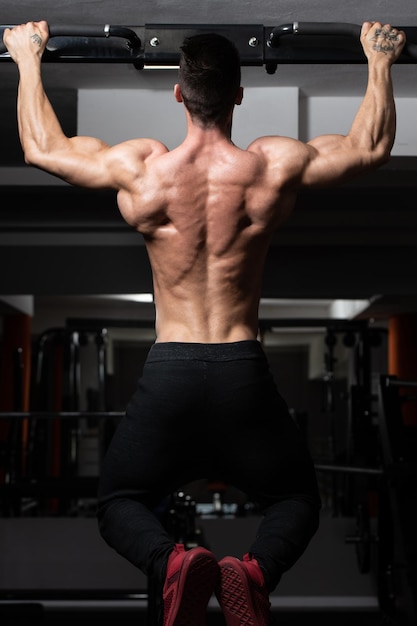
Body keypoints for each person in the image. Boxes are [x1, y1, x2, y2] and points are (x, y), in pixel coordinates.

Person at [4, 19, 405, 626]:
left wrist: (27, 57)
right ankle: (251, 573)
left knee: (118, 504)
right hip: (242, 370)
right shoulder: (271, 167)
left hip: (171, 371)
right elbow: (370, 147)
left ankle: (172, 565)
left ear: (178, 93)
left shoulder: (144, 171)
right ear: (240, 95)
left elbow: (42, 148)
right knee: (294, 498)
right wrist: (379, 61)